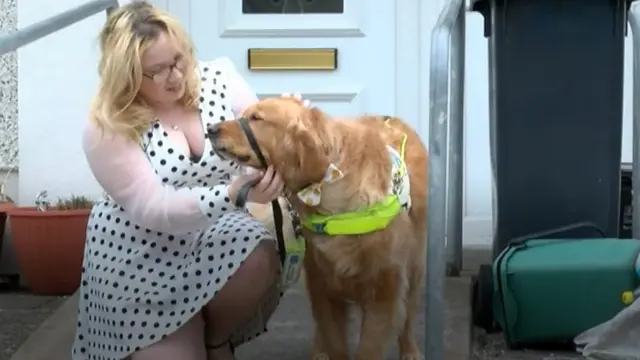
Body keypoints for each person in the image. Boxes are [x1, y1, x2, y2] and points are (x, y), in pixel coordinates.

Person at [72, 2, 305, 359]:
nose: (176, 76)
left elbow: (255, 142)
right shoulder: (106, 125)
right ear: (127, 75)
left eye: (179, 60)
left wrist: (288, 117)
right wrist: (232, 194)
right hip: (138, 258)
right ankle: (184, 334)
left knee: (259, 254)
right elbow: (156, 209)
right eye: (157, 71)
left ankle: (215, 338)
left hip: (209, 235)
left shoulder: (219, 77)